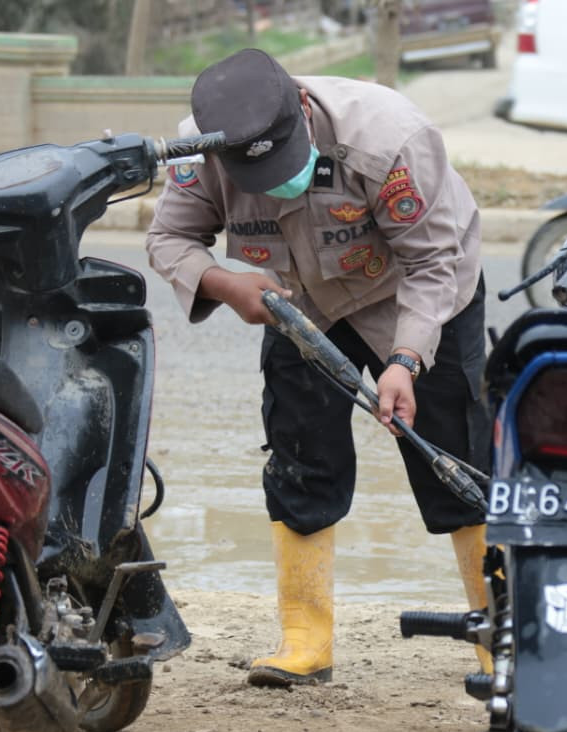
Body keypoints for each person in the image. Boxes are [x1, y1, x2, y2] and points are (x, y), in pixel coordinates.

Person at [146, 48, 493, 687]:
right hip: (295, 310)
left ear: (303, 108)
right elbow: (168, 240)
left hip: (413, 299)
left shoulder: (390, 139)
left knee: (460, 460)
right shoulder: (198, 150)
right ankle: (305, 641)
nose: (276, 181)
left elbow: (435, 261)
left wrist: (406, 361)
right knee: (301, 454)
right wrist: (224, 284)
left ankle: (504, 639)